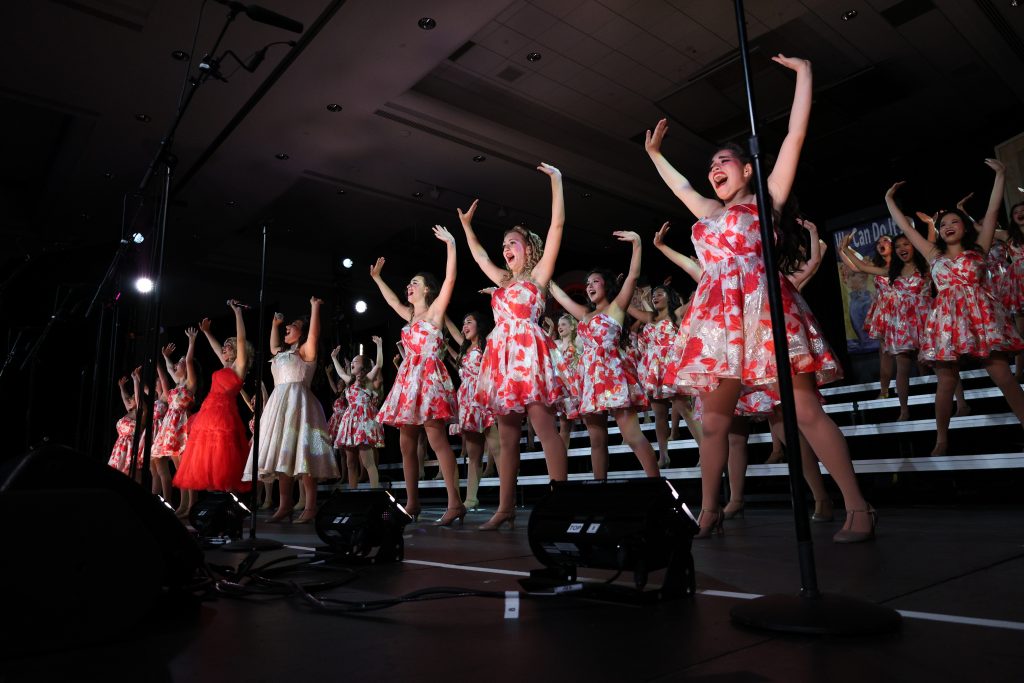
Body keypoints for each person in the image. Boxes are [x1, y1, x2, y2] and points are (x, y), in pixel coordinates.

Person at [644, 54, 874, 543]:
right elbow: (681, 186)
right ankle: (709, 510)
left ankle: (858, 506)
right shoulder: (708, 211)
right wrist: (656, 155)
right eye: (711, 165)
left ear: (747, 170)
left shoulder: (767, 199)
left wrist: (806, 73)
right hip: (718, 322)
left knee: (805, 411)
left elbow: (795, 135)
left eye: (723, 162)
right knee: (713, 420)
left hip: (765, 312)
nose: (714, 169)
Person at [458, 163, 571, 531]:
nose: (505, 248)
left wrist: (556, 182)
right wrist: (467, 227)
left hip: (529, 354)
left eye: (512, 243)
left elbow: (557, 226)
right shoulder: (504, 280)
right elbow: (479, 257)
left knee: (544, 428)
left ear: (529, 248)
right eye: (504, 244)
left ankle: (559, 502)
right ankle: (505, 507)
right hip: (503, 359)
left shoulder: (539, 275)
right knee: (507, 439)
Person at [886, 163, 1024, 456]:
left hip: (980, 319)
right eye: (943, 224)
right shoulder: (932, 253)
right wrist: (889, 200)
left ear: (964, 226)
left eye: (954, 221)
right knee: (946, 382)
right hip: (947, 323)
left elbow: (993, 212)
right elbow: (906, 228)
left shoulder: (979, 249)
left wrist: (1000, 176)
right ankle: (941, 440)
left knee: (1003, 376)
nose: (948, 226)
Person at [371, 226, 465, 525]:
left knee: (436, 439)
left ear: (427, 290)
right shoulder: (410, 316)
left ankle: (455, 503)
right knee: (405, 444)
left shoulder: (435, 311)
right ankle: (412, 502)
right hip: (408, 381)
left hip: (428, 378)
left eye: (415, 283)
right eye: (408, 283)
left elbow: (450, 279)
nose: (408, 286)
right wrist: (377, 278)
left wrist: (451, 244)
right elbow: (391, 302)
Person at [548, 232, 659, 478]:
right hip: (590, 378)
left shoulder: (616, 307)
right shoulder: (584, 314)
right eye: (587, 284)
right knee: (597, 442)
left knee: (632, 436)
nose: (589, 287)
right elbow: (560, 295)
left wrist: (637, 243)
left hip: (613, 375)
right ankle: (600, 487)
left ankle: (657, 485)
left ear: (606, 285)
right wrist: (539, 272)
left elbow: (633, 276)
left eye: (595, 282)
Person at [244, 298, 339, 523]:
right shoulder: (281, 353)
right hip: (279, 406)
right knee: (282, 455)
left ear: (302, 332)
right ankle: (285, 505)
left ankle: (311, 506)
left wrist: (315, 308)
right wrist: (274, 325)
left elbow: (314, 334)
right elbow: (273, 347)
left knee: (305, 455)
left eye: (293, 325)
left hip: (301, 406)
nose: (288, 327)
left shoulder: (305, 351)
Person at [841, 231, 931, 420]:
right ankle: (890, 396)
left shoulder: (922, 266)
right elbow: (859, 266)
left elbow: (930, 247)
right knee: (890, 356)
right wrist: (845, 248)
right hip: (893, 315)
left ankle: (930, 390)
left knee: (925, 357)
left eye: (887, 241)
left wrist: (930, 226)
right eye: (897, 245)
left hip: (920, 316)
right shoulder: (888, 270)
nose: (882, 243)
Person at [173, 301, 253, 496]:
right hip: (208, 412)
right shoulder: (225, 366)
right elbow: (216, 348)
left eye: (228, 347)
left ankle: (229, 499)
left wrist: (237, 313)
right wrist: (207, 332)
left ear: (237, 351)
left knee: (223, 455)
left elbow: (241, 339)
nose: (224, 349)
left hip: (224, 413)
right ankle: (215, 499)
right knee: (208, 453)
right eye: (224, 347)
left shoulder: (239, 367)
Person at [445, 312, 498, 510]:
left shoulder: (486, 343)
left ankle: (508, 498)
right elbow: (453, 330)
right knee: (474, 454)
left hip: (483, 399)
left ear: (479, 325)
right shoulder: (466, 349)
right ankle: (471, 498)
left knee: (497, 449)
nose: (464, 326)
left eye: (469, 322)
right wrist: (443, 314)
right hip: (466, 402)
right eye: (463, 323)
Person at [151, 330, 197, 503]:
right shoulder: (177, 383)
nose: (177, 364)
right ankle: (183, 504)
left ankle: (191, 504)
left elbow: (189, 360)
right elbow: (169, 369)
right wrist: (164, 357)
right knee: (179, 469)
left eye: (180, 362)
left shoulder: (190, 383)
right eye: (177, 362)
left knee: (186, 468)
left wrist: (191, 341)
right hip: (170, 426)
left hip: (182, 425)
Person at [333, 338, 384, 490]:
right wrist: (334, 358)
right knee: (350, 462)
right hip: (350, 422)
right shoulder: (349, 381)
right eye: (353, 361)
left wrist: (379, 346)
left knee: (368, 461)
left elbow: (379, 365)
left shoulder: (368, 380)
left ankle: (375, 491)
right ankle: (353, 492)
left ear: (364, 367)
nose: (352, 363)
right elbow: (340, 372)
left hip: (363, 422)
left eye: (356, 361)